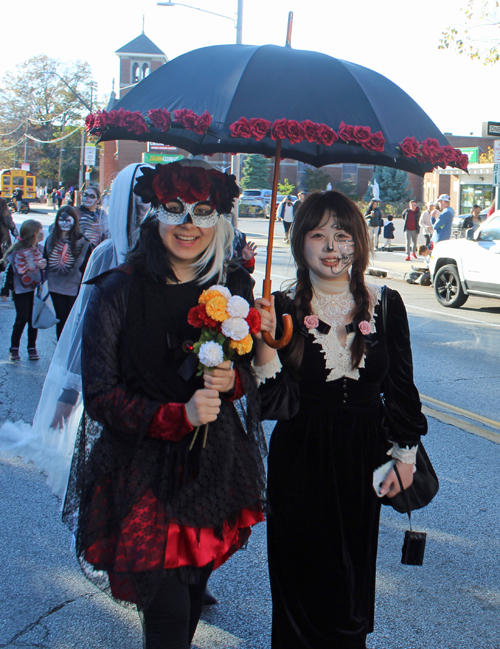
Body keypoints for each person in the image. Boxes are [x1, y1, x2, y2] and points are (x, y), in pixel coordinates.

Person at [61, 160, 266, 649]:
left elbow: (248, 379)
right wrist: (178, 416)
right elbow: (101, 396)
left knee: (193, 589)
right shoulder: (117, 292)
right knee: (168, 609)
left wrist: (230, 380)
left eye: (202, 212)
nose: (189, 224)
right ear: (154, 215)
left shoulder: (232, 288)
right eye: (175, 210)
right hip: (142, 467)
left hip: (212, 465)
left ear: (219, 221)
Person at [254, 190, 427, 649]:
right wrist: (266, 344)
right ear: (299, 243)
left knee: (351, 578)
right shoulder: (282, 306)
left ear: (359, 243)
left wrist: (404, 455)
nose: (331, 248)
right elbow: (273, 404)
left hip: (363, 456)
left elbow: (403, 388)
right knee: (300, 574)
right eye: (318, 235)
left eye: (342, 235)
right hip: (301, 455)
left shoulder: (386, 303)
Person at [0, 163, 153, 499]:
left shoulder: (175, 254)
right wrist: (66, 400)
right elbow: (86, 327)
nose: (148, 209)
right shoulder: (106, 255)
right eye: (141, 201)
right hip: (115, 392)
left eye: (154, 201)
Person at [44, 206, 93, 339]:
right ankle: (61, 347)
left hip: (74, 286)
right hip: (55, 286)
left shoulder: (84, 242)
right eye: (61, 220)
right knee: (61, 318)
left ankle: (69, 348)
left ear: (74, 221)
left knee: (71, 320)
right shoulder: (50, 240)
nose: (65, 223)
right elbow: (45, 260)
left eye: (68, 220)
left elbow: (87, 267)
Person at [1, 220, 47, 361]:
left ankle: (31, 347)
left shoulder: (39, 249)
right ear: (33, 234)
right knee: (22, 317)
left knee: (33, 319)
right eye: (40, 230)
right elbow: (9, 271)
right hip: (20, 289)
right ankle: (14, 348)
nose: (42, 232)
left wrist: (44, 266)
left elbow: (47, 268)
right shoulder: (16, 251)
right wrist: (5, 291)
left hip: (36, 289)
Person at [0, 196, 19, 270]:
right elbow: (9, 221)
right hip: (2, 237)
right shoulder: (2, 204)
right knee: (3, 260)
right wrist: (16, 234)